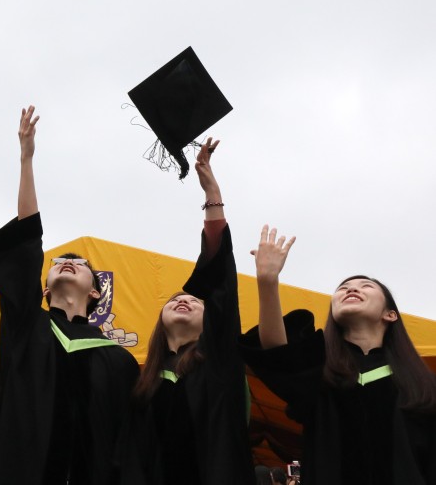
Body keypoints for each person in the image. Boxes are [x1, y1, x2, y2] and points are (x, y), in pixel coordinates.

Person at [0, 106, 139, 485]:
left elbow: (127, 445)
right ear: (43, 288)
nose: (65, 262)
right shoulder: (27, 326)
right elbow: (27, 243)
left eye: (77, 263)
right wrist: (26, 160)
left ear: (94, 291)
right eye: (57, 262)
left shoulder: (120, 362)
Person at [243, 228, 436, 484]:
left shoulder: (422, 385)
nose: (350, 289)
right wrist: (268, 282)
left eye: (365, 286)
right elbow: (278, 353)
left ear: (390, 314)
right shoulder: (319, 370)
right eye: (343, 288)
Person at [120, 139, 255, 485]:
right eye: (175, 300)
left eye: (196, 300)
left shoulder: (220, 362)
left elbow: (220, 280)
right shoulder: (140, 384)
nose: (186, 300)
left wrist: (212, 192)